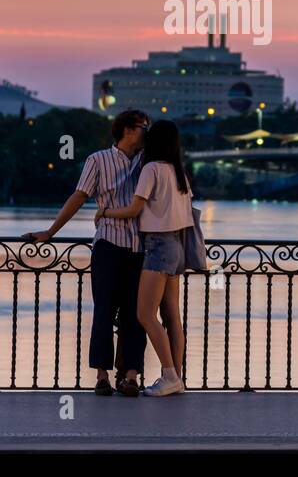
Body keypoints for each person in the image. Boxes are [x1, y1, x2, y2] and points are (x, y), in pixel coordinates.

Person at [22, 110, 150, 397]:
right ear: (128, 130)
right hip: (108, 244)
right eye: (144, 127)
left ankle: (130, 376)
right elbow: (79, 196)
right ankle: (102, 376)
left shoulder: (149, 161)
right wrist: (51, 232)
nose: (147, 132)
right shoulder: (98, 160)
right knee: (104, 311)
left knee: (136, 314)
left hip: (141, 246)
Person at [97, 119, 193, 397]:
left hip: (158, 246)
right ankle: (178, 376)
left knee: (144, 314)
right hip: (177, 246)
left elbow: (134, 209)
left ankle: (169, 375)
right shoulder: (179, 172)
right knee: (172, 316)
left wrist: (104, 213)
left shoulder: (151, 169)